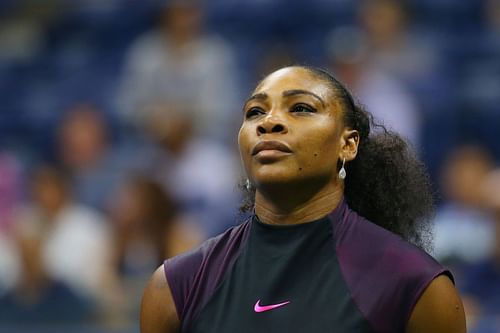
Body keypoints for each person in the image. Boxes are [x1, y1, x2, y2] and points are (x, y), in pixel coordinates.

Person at [140, 66, 466, 333]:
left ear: (348, 144)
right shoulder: (174, 287)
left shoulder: (414, 285)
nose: (269, 122)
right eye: (255, 112)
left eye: (301, 108)